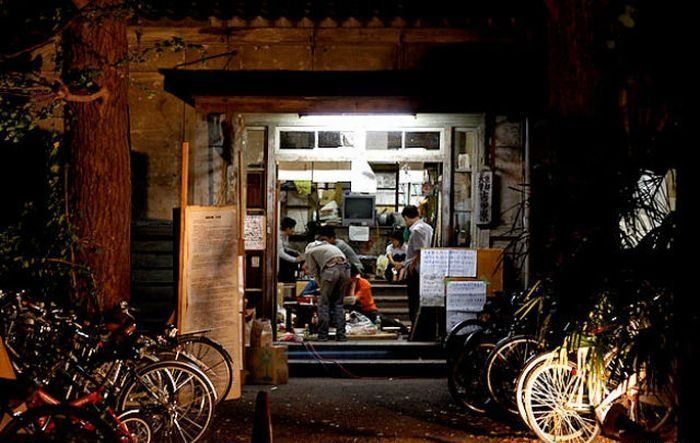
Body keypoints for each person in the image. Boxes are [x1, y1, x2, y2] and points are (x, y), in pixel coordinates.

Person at [304, 238, 350, 341]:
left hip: (330, 271)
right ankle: (341, 335)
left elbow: (313, 271)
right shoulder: (330, 247)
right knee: (338, 303)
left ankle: (323, 335)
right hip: (345, 270)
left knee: (324, 303)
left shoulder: (309, 251)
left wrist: (321, 286)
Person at [402, 205, 434, 324]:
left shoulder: (416, 230)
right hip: (426, 269)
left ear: (406, 217)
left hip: (416, 270)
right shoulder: (427, 227)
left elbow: (421, 250)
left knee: (414, 300)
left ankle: (415, 326)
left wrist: (412, 265)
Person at [278, 217, 304, 282]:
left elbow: (285, 247)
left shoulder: (286, 235)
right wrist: (295, 260)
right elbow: (280, 253)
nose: (294, 230)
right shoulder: (278, 236)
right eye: (293, 228)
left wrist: (295, 251)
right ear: (288, 229)